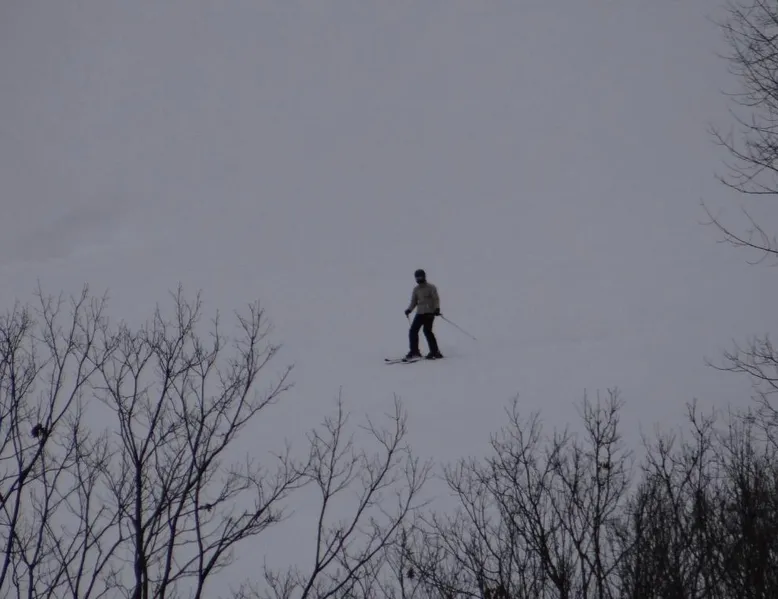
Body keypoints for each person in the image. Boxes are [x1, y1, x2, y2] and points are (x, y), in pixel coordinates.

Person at [404, 269, 444, 360]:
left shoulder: (431, 287)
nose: (419, 279)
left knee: (427, 331)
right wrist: (409, 309)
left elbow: (436, 299)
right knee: (413, 331)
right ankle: (414, 351)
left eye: (420, 277)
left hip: (429, 313)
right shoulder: (416, 289)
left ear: (424, 276)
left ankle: (435, 352)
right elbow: (414, 301)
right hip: (420, 313)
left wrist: (437, 309)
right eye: (417, 277)